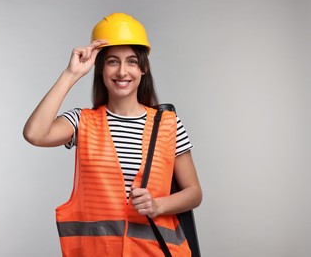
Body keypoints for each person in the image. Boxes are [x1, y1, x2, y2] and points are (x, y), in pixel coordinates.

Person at [23, 13, 202, 257]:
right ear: (100, 68)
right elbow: (35, 134)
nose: (122, 71)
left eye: (131, 61)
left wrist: (158, 205)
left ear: (143, 68)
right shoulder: (81, 122)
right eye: (112, 61)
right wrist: (71, 74)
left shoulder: (169, 124)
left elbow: (193, 192)